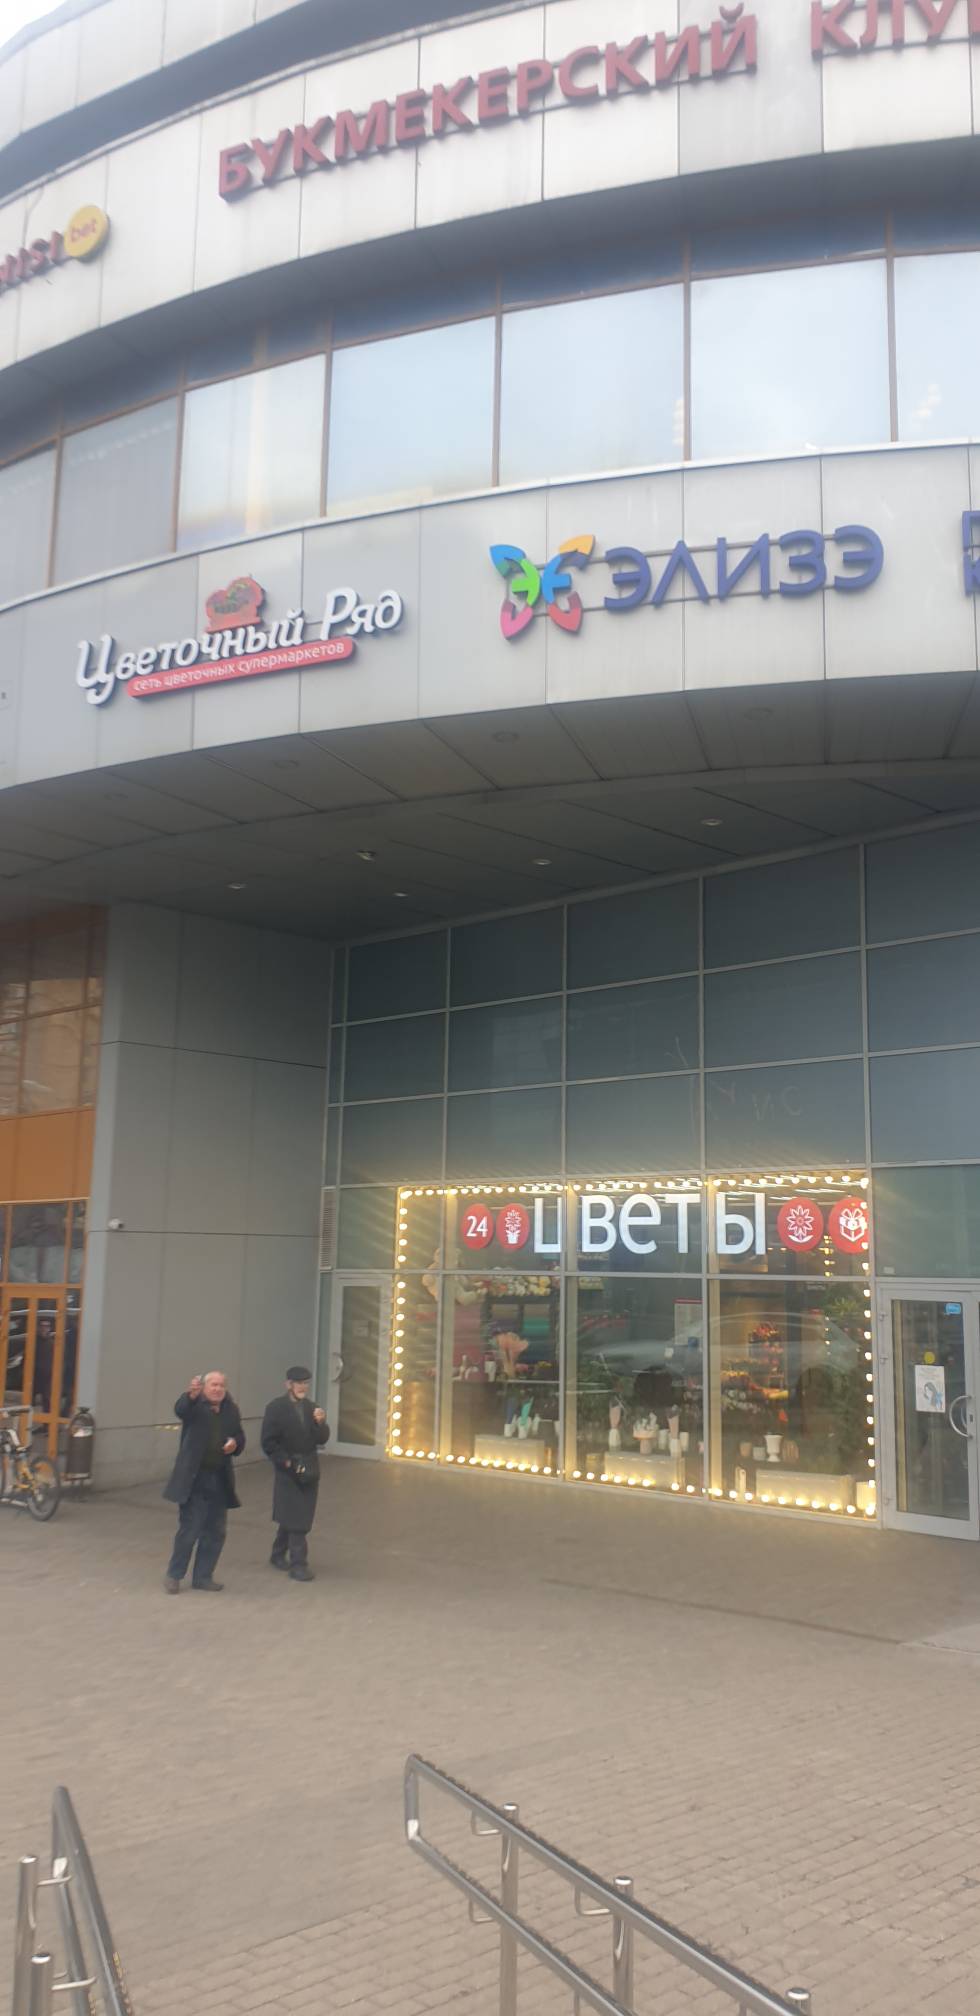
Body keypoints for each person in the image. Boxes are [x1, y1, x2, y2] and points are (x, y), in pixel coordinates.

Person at [162, 1371, 245, 1593]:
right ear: (205, 1388)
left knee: (215, 1532)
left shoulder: (231, 1410)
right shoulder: (195, 1406)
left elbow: (240, 1436)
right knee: (190, 1529)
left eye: (221, 1385)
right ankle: (174, 1575)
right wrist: (190, 1395)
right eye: (213, 1385)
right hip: (194, 1480)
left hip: (219, 1479)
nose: (217, 1389)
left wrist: (234, 1443)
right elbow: (181, 1409)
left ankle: (203, 1577)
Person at [260, 1366, 330, 1582]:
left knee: (297, 1514)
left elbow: (322, 1439)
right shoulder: (276, 1408)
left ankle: (277, 1554)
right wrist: (285, 1461)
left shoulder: (312, 1408)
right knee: (297, 1518)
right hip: (288, 1468)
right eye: (298, 1383)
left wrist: (321, 1423)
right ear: (288, 1384)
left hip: (309, 1467)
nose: (302, 1387)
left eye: (305, 1383)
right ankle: (298, 1564)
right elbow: (268, 1442)